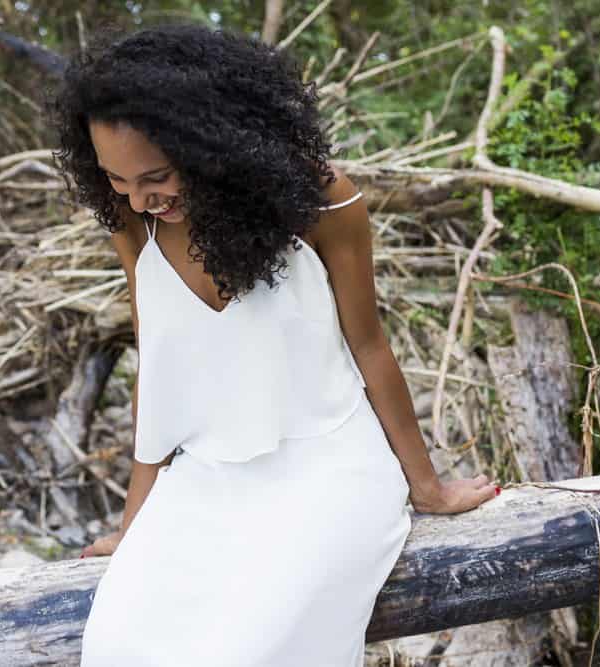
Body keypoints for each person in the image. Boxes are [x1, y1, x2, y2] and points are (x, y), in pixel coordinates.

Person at [45, 21, 499, 666]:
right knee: (118, 644)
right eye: (117, 181)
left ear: (213, 141)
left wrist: (426, 486)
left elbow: (370, 347)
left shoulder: (323, 203)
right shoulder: (132, 221)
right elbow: (161, 371)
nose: (141, 199)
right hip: (207, 477)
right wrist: (134, 523)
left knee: (253, 648)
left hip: (331, 469)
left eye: (157, 175)